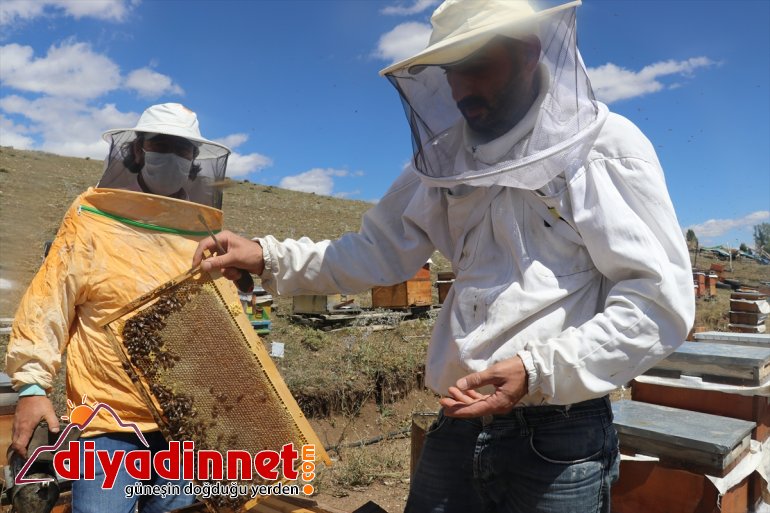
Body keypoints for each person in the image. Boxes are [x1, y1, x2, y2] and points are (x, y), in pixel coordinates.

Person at [193, 1, 695, 512]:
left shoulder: (604, 147)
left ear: (528, 53)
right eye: (452, 72)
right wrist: (265, 256)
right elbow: (375, 252)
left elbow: (658, 302)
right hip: (457, 419)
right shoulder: (441, 162)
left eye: (477, 66)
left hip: (559, 435)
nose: (462, 89)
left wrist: (538, 370)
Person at [6, 103, 231, 513]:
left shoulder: (203, 228)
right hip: (108, 419)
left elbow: (220, 324)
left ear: (195, 161)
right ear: (138, 150)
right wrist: (33, 387)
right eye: (162, 144)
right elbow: (49, 302)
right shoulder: (92, 218)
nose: (174, 156)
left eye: (184, 150)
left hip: (185, 420)